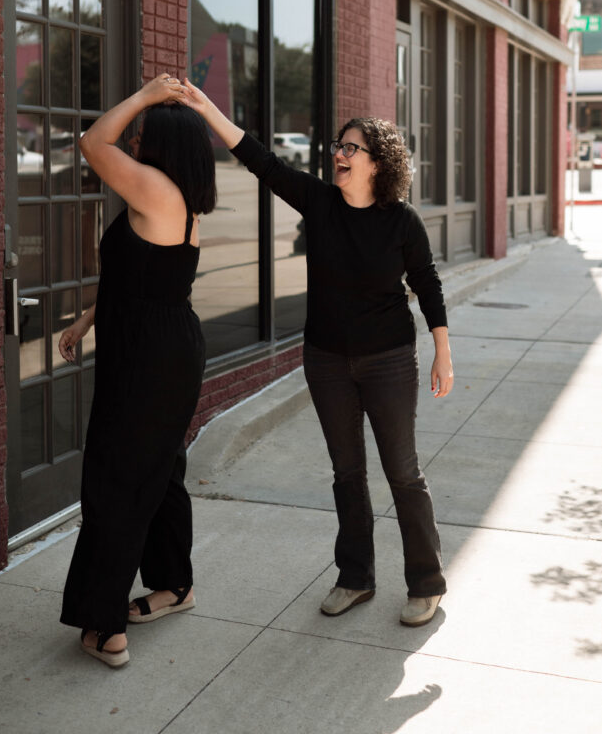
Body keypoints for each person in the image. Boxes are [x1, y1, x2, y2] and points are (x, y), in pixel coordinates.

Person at [177, 78, 453, 627]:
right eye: (338, 146)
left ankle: (425, 581)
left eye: (351, 148)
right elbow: (260, 159)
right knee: (346, 472)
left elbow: (427, 283)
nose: (339, 154)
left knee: (402, 472)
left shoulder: (401, 220)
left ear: (378, 163)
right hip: (327, 359)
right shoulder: (321, 204)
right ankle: (355, 577)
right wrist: (204, 105)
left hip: (390, 359)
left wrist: (443, 352)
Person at [58, 74, 216, 666]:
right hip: (162, 346)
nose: (138, 139)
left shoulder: (155, 189)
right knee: (159, 471)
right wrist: (84, 322)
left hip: (149, 358)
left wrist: (148, 94)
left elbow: (93, 143)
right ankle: (174, 585)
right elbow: (139, 282)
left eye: (146, 131)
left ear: (162, 146)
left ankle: (105, 626)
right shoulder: (176, 199)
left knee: (117, 480)